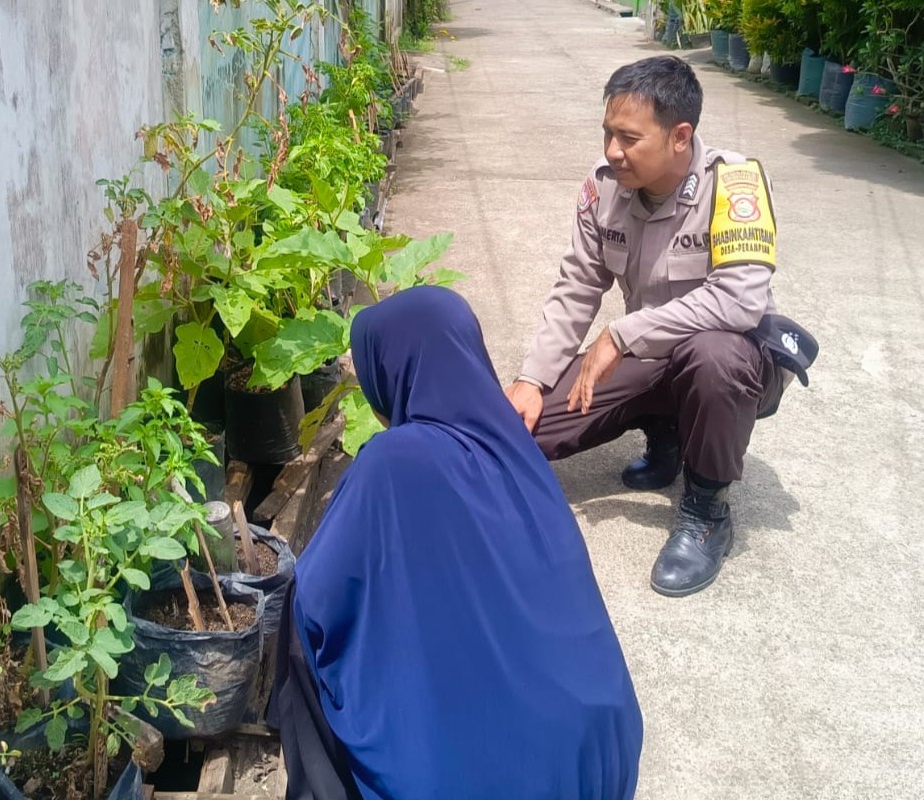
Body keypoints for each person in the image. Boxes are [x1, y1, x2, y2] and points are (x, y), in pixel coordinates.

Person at [268, 286, 643, 800]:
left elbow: (318, 600)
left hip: (504, 785)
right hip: (602, 754)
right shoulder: (520, 453)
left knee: (298, 626)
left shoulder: (392, 463)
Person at [505, 55, 800, 598]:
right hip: (652, 358)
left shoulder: (735, 185)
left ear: (680, 135)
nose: (612, 151)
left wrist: (622, 335)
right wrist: (533, 379)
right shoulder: (604, 188)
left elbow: (738, 302)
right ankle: (667, 433)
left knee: (714, 356)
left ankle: (707, 508)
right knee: (524, 432)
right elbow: (577, 286)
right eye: (607, 134)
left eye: (628, 138)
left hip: (731, 364)